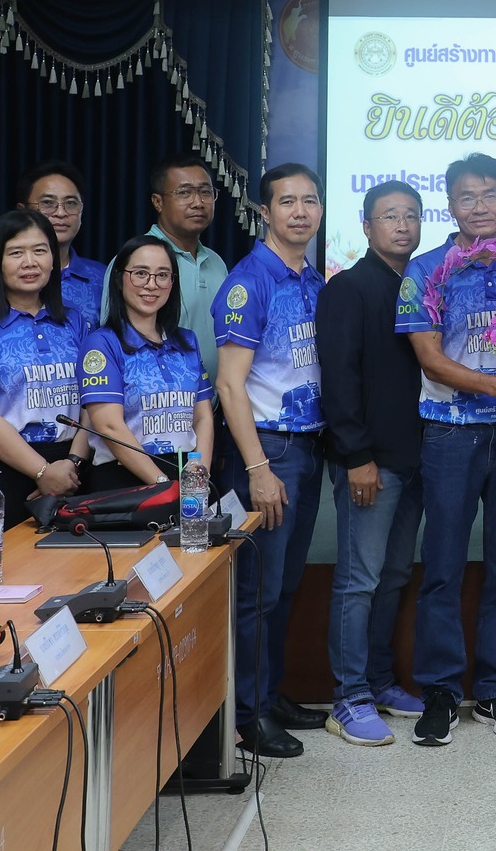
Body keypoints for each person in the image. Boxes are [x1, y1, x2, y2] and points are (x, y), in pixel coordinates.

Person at [405, 153, 496, 748]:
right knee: (441, 567)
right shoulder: (424, 271)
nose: (479, 206)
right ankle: (440, 691)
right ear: (450, 205)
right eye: (467, 197)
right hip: (449, 433)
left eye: (491, 194)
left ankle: (495, 688)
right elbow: (429, 359)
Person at [213, 164, 328, 760]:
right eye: (287, 202)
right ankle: (247, 714)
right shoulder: (249, 281)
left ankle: (271, 694)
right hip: (267, 450)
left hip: (307, 445)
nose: (301, 212)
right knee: (256, 591)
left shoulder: (310, 279)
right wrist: (257, 469)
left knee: (283, 585)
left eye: (310, 201)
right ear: (265, 212)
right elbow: (230, 385)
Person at [316, 180, 429, 746]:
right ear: (366, 226)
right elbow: (338, 379)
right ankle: (349, 697)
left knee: (394, 575)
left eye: (411, 215)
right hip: (369, 463)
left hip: (415, 458)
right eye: (389, 216)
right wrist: (357, 456)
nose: (402, 225)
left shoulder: (419, 286)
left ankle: (380, 681)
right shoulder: (349, 288)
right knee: (358, 580)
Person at [0, 210, 91, 522]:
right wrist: (43, 472)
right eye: (16, 253)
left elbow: (93, 403)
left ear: (53, 260)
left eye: (40, 250)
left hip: (70, 470)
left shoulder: (75, 322)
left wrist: (72, 464)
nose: (30, 262)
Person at [79, 236, 214, 492]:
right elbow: (108, 426)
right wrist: (163, 485)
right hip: (124, 478)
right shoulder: (101, 343)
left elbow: (203, 416)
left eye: (162, 275)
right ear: (119, 279)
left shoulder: (187, 341)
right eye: (140, 273)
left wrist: (199, 476)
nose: (151, 285)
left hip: (186, 475)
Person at [0, 161, 106, 327]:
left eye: (71, 203)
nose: (60, 212)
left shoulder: (102, 277)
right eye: (48, 203)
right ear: (22, 210)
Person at [147, 154, 231, 374]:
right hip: (163, 394)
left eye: (205, 192)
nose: (198, 202)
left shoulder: (216, 262)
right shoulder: (137, 262)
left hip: (217, 395)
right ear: (158, 202)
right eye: (184, 193)